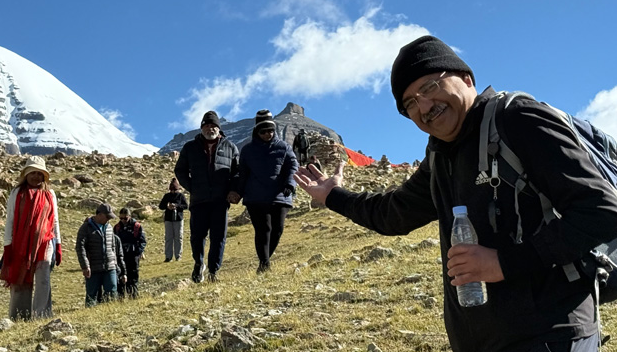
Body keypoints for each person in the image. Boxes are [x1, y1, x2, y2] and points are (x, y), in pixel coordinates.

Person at [294, 35, 617, 352]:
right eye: (409, 103)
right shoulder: (440, 156)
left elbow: (602, 211)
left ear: (465, 78)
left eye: (429, 87)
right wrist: (332, 196)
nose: (423, 106)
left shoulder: (517, 119)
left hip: (552, 334)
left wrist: (503, 263)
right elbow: (393, 213)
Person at [174, 110, 240, 283]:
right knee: (197, 236)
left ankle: (213, 271)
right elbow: (180, 170)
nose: (210, 128)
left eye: (213, 126)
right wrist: (191, 187)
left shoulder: (230, 147)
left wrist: (233, 190)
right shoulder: (190, 147)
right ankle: (198, 263)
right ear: (202, 127)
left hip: (220, 201)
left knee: (218, 237)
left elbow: (238, 173)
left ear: (219, 128)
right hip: (199, 201)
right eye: (207, 125)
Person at [0, 156, 62, 320]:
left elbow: (54, 220)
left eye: (39, 173)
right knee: (20, 279)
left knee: (43, 280)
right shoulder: (17, 193)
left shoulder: (50, 194)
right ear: (26, 174)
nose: (36, 177)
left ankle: (42, 315)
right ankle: (20, 316)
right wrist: (8, 245)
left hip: (45, 243)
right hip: (20, 243)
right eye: (32, 173)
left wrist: (58, 244)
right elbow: (10, 220)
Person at [236, 109, 298, 273]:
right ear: (257, 131)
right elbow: (242, 174)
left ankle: (265, 260)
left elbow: (293, 167)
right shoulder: (247, 150)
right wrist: (237, 192)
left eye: (270, 130)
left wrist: (290, 185)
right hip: (255, 198)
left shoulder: (284, 147)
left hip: (280, 195)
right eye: (263, 131)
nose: (267, 134)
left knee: (277, 230)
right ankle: (265, 264)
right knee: (264, 229)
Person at [75, 203, 127, 306]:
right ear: (99, 215)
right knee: (92, 295)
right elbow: (80, 247)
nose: (108, 219)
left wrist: (115, 264)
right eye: (107, 217)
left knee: (112, 292)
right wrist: (85, 266)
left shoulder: (109, 228)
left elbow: (113, 247)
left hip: (110, 267)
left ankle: (110, 313)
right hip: (93, 268)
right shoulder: (86, 227)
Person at [114, 207, 146, 299]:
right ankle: (120, 298)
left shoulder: (137, 226)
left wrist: (137, 252)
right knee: (120, 277)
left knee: (133, 278)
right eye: (121, 218)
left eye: (125, 218)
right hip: (121, 256)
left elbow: (142, 241)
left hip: (133, 256)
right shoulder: (117, 227)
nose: (123, 220)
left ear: (130, 216)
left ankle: (133, 296)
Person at [158, 178, 189, 262]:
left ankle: (178, 256)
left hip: (178, 219)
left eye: (174, 190)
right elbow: (160, 206)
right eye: (171, 190)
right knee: (168, 238)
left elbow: (186, 206)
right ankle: (168, 256)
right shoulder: (167, 196)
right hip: (168, 219)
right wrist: (167, 206)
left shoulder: (180, 196)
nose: (172, 191)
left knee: (178, 237)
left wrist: (177, 206)